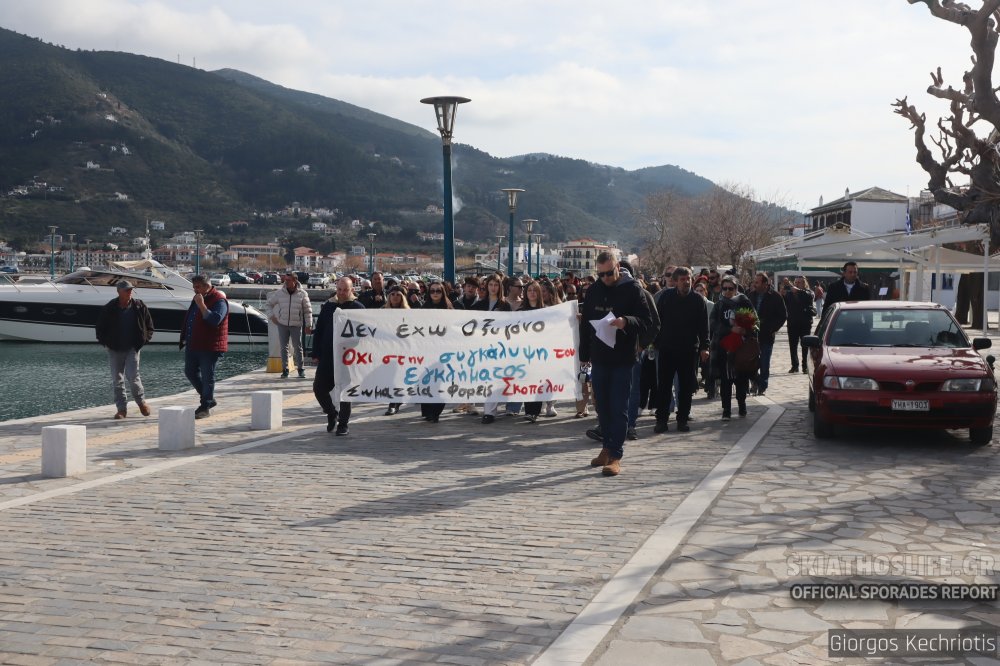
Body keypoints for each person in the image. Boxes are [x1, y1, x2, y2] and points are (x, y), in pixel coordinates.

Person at [579, 252, 655, 477]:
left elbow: (647, 321)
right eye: (600, 274)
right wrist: (584, 353)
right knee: (602, 405)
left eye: (609, 273)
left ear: (618, 268)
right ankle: (606, 447)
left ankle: (615, 455)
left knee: (619, 407)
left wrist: (626, 322)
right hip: (600, 357)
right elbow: (586, 326)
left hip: (623, 358)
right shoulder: (594, 290)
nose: (605, 278)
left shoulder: (633, 290)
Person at [652, 267, 709, 433]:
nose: (686, 282)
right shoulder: (666, 298)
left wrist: (705, 347)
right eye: (683, 279)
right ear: (676, 281)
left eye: (688, 279)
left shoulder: (698, 301)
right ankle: (661, 419)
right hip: (667, 349)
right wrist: (655, 342)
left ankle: (682, 419)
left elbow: (703, 327)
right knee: (663, 386)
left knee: (686, 387)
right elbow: (657, 321)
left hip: (689, 350)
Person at [312, 277, 365, 435]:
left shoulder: (358, 308)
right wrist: (316, 352)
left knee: (344, 391)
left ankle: (343, 424)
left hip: (347, 358)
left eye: (345, 290)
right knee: (319, 388)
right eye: (339, 289)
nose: (342, 293)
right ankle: (331, 413)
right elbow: (319, 330)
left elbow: (364, 334)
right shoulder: (328, 306)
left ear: (352, 290)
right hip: (328, 355)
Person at [95, 280, 155, 419]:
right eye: (126, 290)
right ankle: (121, 409)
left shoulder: (139, 306)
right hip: (114, 349)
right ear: (119, 292)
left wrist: (144, 340)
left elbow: (149, 325)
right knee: (117, 379)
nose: (130, 292)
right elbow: (100, 328)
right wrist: (105, 343)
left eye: (130, 290)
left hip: (132, 348)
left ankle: (141, 403)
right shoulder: (109, 307)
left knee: (133, 377)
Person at [180, 275, 230, 419]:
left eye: (198, 287)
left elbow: (215, 320)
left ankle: (205, 406)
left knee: (208, 376)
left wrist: (202, 305)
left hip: (209, 346)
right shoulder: (197, 297)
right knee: (190, 372)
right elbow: (191, 318)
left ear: (207, 286)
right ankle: (209, 398)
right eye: (194, 287)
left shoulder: (219, 300)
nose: (195, 290)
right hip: (193, 344)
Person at [709, 276, 756, 420]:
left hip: (742, 349)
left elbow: (755, 321)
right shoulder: (719, 305)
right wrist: (730, 329)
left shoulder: (744, 302)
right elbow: (713, 324)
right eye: (725, 288)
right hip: (724, 348)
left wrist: (745, 330)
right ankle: (726, 410)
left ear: (736, 289)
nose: (728, 291)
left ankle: (742, 405)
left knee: (741, 379)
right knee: (725, 380)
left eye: (731, 288)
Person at [420, 281, 457, 423]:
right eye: (432, 291)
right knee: (427, 382)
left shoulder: (450, 310)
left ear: (443, 293)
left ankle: (435, 413)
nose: (435, 293)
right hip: (428, 352)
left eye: (438, 291)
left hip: (444, 353)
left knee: (442, 382)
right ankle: (428, 412)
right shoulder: (424, 309)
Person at [266, 271, 313, 378]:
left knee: (298, 347)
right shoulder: (279, 293)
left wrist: (308, 325)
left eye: (288, 280)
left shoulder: (302, 294)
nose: (286, 282)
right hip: (282, 324)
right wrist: (272, 316)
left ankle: (301, 369)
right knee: (284, 348)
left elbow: (308, 311)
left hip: (296, 324)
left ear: (295, 280)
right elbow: (268, 304)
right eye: (285, 280)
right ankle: (285, 370)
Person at [748, 272, 787, 396]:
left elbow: (783, 315)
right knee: (751, 362)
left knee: (764, 363)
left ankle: (762, 385)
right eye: (754, 282)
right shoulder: (751, 295)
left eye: (757, 282)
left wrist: (773, 328)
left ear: (766, 284)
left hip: (767, 335)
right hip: (752, 335)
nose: (755, 284)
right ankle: (755, 381)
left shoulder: (775, 296)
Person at [382, 285, 410, 416]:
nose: (395, 297)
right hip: (387, 350)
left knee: (399, 377)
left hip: (403, 350)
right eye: (392, 294)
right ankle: (394, 402)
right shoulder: (381, 311)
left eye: (398, 294)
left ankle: (394, 403)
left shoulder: (409, 313)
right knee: (389, 377)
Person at [784, 275, 816, 374]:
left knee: (805, 345)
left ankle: (805, 366)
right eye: (796, 282)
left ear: (804, 283)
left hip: (805, 323)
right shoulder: (789, 294)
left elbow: (809, 297)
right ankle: (794, 366)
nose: (797, 284)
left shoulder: (808, 292)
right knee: (792, 345)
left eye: (800, 282)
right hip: (792, 322)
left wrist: (797, 290)